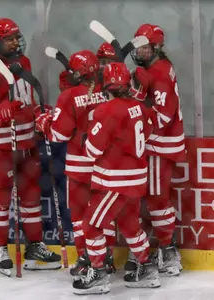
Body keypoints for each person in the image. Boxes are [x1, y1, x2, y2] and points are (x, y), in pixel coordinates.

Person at [0, 17, 61, 277]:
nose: (14, 42)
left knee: (31, 194)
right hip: (1, 145)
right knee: (1, 196)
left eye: (15, 37)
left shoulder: (23, 63)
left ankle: (34, 247)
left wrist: (38, 112)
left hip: (26, 140)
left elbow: (25, 100)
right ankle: (0, 249)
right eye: (8, 38)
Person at [72, 62, 159, 295]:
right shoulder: (140, 107)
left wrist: (85, 141)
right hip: (136, 179)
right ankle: (147, 268)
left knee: (91, 225)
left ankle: (98, 273)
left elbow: (92, 151)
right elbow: (148, 132)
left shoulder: (108, 110)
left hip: (114, 181)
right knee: (130, 226)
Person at [33, 50, 115, 278]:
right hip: (104, 166)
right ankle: (105, 257)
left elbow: (59, 134)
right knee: (101, 215)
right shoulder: (107, 91)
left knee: (80, 216)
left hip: (80, 166)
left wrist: (44, 122)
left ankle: (85, 258)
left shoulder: (69, 96)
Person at [125, 23, 186, 277]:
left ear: (157, 48)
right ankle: (149, 248)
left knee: (156, 199)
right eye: (137, 45)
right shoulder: (155, 68)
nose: (139, 51)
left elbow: (162, 116)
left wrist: (136, 109)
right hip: (156, 144)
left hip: (159, 146)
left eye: (144, 47)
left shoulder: (159, 73)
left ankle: (167, 249)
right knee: (146, 196)